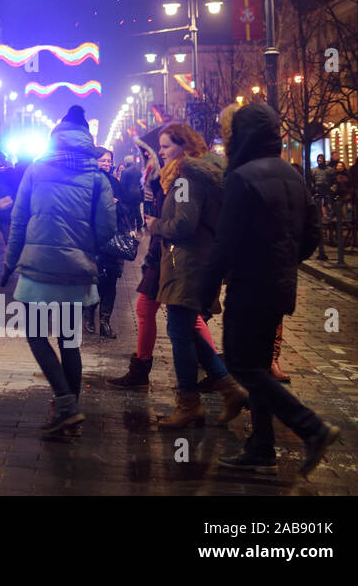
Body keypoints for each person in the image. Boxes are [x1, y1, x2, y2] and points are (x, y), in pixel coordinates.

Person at [205, 103, 341, 476]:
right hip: (280, 285)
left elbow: (225, 242)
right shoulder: (292, 174)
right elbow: (312, 230)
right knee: (260, 365)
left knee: (241, 363)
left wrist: (206, 289)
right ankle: (261, 445)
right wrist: (285, 261)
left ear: (242, 136)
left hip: (249, 286)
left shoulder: (241, 177)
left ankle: (310, 427)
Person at [1, 106, 114, 436]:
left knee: (37, 336)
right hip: (76, 273)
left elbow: (19, 221)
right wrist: (84, 247)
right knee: (69, 342)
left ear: (56, 137)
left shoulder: (36, 170)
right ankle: (70, 414)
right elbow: (106, 229)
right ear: (87, 140)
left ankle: (66, 405)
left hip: (37, 272)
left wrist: (9, 263)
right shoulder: (97, 177)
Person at [145, 122, 248, 428]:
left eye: (165, 146)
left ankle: (189, 403)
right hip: (194, 261)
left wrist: (155, 225)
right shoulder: (194, 175)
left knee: (179, 331)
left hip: (188, 264)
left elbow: (183, 226)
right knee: (185, 329)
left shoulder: (187, 177)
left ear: (184, 147)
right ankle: (229, 389)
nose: (161, 152)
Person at [88, 147, 132, 338]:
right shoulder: (88, 181)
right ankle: (90, 316)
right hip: (94, 239)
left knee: (111, 281)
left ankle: (105, 321)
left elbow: (126, 208)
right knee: (95, 281)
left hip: (113, 238)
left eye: (108, 161)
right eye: (102, 160)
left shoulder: (115, 182)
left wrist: (116, 204)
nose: (106, 164)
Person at [120, 155, 144, 232]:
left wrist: (123, 196)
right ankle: (139, 226)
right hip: (138, 193)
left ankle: (132, 228)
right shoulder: (138, 171)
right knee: (137, 210)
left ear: (126, 162)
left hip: (129, 194)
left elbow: (122, 185)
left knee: (130, 211)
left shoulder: (125, 171)